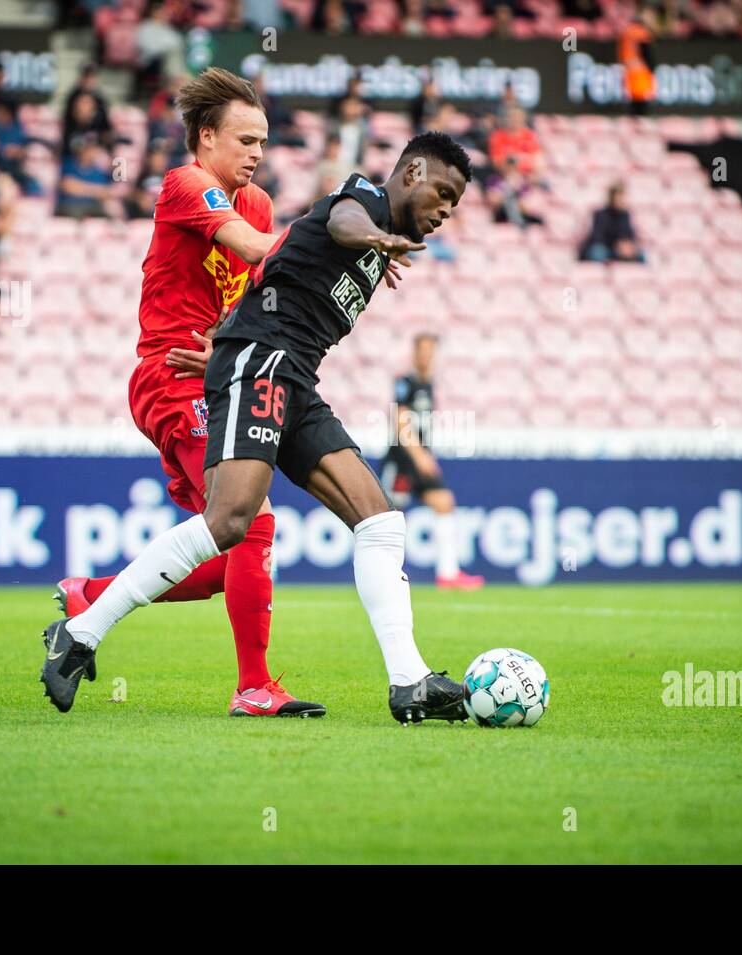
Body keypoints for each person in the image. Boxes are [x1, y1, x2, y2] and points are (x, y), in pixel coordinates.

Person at [40, 132, 473, 725]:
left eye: (456, 203)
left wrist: (375, 251)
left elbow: (279, 270)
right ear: (413, 171)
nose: (446, 209)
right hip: (264, 362)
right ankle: (84, 631)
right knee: (231, 522)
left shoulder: (377, 245)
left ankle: (408, 680)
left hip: (295, 379)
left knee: (379, 518)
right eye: (443, 192)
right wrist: (374, 237)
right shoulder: (363, 201)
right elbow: (344, 219)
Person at [44, 68, 325, 719]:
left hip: (213, 379)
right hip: (169, 381)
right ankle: (254, 686)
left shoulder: (257, 202)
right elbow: (257, 249)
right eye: (245, 139)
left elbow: (259, 299)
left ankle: (89, 596)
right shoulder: (184, 185)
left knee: (223, 552)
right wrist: (342, 228)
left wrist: (226, 343)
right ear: (206, 137)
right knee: (251, 520)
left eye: (264, 140)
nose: (258, 152)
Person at [380, 333, 485, 590]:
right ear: (414, 353)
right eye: (422, 350)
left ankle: (448, 573)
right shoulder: (405, 383)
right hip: (403, 462)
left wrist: (427, 455)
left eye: (430, 350)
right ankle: (384, 573)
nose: (426, 355)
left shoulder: (429, 385)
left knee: (444, 503)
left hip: (421, 460)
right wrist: (419, 456)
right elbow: (400, 421)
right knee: (391, 516)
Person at [579, 183, 642, 262]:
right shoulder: (601, 214)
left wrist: (628, 245)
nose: (622, 201)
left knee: (641, 255)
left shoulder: (625, 215)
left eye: (623, 198)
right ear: (612, 198)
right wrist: (616, 246)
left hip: (619, 251)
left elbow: (629, 234)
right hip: (605, 248)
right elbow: (597, 237)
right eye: (619, 198)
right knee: (597, 252)